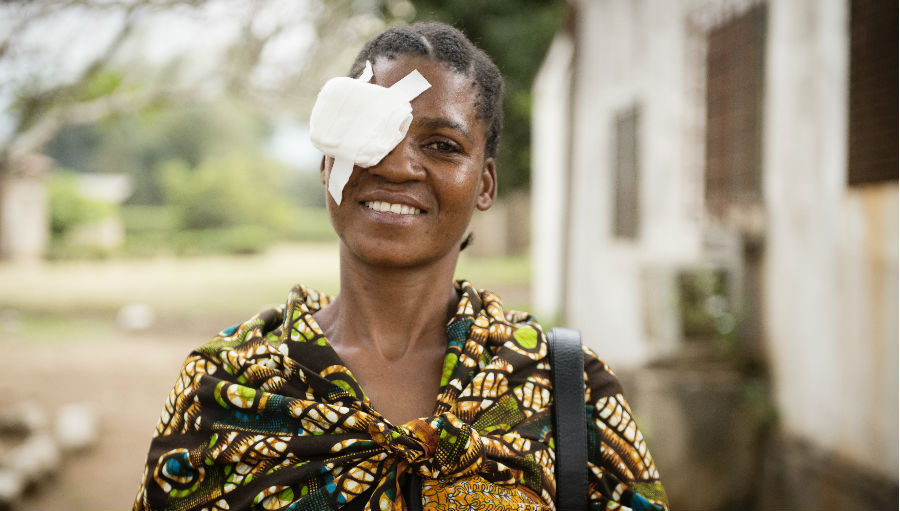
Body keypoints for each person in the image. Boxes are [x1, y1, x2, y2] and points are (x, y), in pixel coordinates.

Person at [133, 22, 668, 511]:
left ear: (484, 184)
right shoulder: (227, 385)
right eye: (373, 132)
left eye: (441, 145)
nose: (394, 164)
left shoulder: (566, 389)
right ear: (327, 161)